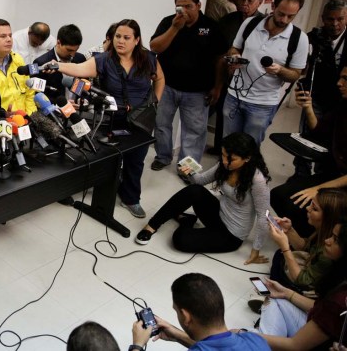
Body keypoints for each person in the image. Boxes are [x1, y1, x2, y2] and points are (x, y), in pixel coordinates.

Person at [53, 19, 165, 218]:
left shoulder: (148, 58)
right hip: (111, 116)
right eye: (117, 37)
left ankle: (131, 198)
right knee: (105, 155)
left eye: (126, 38)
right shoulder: (104, 59)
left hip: (141, 117)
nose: (120, 41)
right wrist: (56, 65)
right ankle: (100, 194)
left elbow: (160, 78)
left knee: (136, 159)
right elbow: (79, 69)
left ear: (137, 40)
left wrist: (155, 100)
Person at [135, 132, 271, 263]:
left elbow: (263, 218)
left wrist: (255, 250)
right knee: (195, 190)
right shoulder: (224, 165)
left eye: (231, 159)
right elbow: (200, 181)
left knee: (180, 240)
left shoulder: (257, 181)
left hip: (231, 234)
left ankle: (187, 221)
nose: (225, 161)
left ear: (247, 158)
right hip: (219, 214)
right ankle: (151, 226)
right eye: (223, 155)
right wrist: (189, 170)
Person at [150, 0, 227, 174]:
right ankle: (163, 156)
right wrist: (175, 28)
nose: (183, 10)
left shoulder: (211, 26)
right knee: (161, 125)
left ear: (198, 6)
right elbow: (155, 47)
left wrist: (217, 87)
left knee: (194, 132)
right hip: (166, 86)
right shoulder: (169, 22)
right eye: (179, 7)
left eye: (188, 6)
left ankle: (187, 169)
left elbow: (220, 60)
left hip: (198, 91)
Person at [223, 0, 309, 145]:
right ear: (273, 6)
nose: (284, 19)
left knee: (250, 147)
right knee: (229, 143)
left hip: (263, 103)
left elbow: (295, 74)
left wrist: (280, 70)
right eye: (281, 14)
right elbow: (235, 48)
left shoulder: (299, 39)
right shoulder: (250, 23)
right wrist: (234, 57)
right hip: (234, 95)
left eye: (291, 16)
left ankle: (250, 170)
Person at [270, 66, 347, 238]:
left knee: (301, 204)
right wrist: (308, 107)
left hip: (342, 182)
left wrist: (318, 189)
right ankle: (303, 240)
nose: (339, 83)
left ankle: (313, 244)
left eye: (345, 79)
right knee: (278, 195)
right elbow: (319, 130)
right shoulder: (343, 106)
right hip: (334, 174)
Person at [256, 221, 347, 349]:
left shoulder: (340, 299)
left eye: (336, 240)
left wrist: (243, 334)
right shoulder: (338, 275)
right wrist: (285, 293)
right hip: (315, 327)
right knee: (275, 299)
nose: (327, 241)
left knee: (244, 336)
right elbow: (319, 307)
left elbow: (295, 346)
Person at [131, 273, 269, 350]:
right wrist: (178, 336)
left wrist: (137, 346)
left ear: (186, 316)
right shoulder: (256, 340)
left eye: (177, 311)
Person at [209, 0, 266, 155]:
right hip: (225, 72)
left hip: (249, 79)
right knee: (222, 112)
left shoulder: (262, 23)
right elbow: (218, 47)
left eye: (250, 0)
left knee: (244, 119)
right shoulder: (229, 20)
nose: (245, 3)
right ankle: (221, 147)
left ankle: (241, 154)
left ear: (260, 2)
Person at [294, 0, 346, 177]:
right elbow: (302, 67)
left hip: (340, 97)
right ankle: (301, 172)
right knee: (308, 134)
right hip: (315, 93)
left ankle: (323, 173)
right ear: (323, 19)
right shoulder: (313, 37)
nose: (335, 24)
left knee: (332, 138)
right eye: (330, 20)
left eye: (340, 19)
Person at [0, 18, 37, 114]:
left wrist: (32, 118)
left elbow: (29, 92)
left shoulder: (17, 59)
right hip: (0, 123)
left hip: (23, 121)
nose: (9, 39)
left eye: (10, 35)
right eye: (3, 36)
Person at [33, 24, 87, 101]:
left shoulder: (80, 59)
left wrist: (81, 101)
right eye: (69, 50)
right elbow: (37, 94)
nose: (73, 54)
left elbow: (84, 90)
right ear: (58, 43)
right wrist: (62, 105)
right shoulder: (41, 63)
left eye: (76, 50)